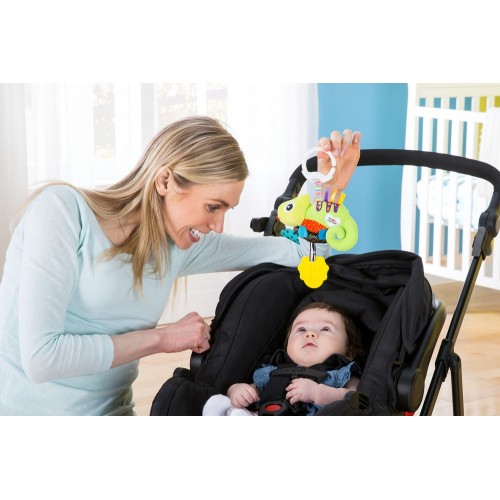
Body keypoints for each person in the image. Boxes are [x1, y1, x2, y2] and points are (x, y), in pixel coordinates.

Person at [0, 115, 361, 416]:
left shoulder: (181, 246)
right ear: (165, 181)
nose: (218, 226)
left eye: (226, 210)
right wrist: (163, 338)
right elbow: (41, 359)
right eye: (213, 207)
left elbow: (304, 255)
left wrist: (329, 191)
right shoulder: (62, 211)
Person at [202, 301, 364, 416]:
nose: (310, 334)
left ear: (349, 351)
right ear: (287, 345)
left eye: (325, 329)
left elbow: (358, 399)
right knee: (230, 404)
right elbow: (253, 391)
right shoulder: (273, 371)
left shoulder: (343, 374)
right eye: (301, 329)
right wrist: (237, 390)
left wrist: (319, 393)